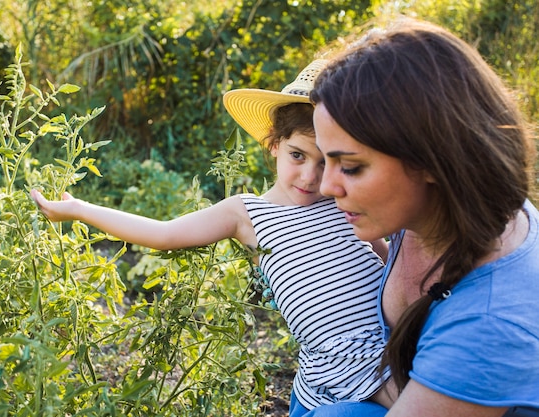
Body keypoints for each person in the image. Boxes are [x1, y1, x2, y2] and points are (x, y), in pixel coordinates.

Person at [31, 60, 393, 413]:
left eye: (325, 161)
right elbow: (163, 233)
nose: (310, 177)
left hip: (385, 348)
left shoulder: (340, 201)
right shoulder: (247, 213)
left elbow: (387, 257)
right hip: (336, 367)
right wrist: (79, 209)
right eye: (297, 156)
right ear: (274, 144)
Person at [307, 17, 539, 417]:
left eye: (351, 167)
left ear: (433, 160)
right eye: (325, 158)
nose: (326, 187)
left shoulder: (491, 322)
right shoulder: (449, 206)